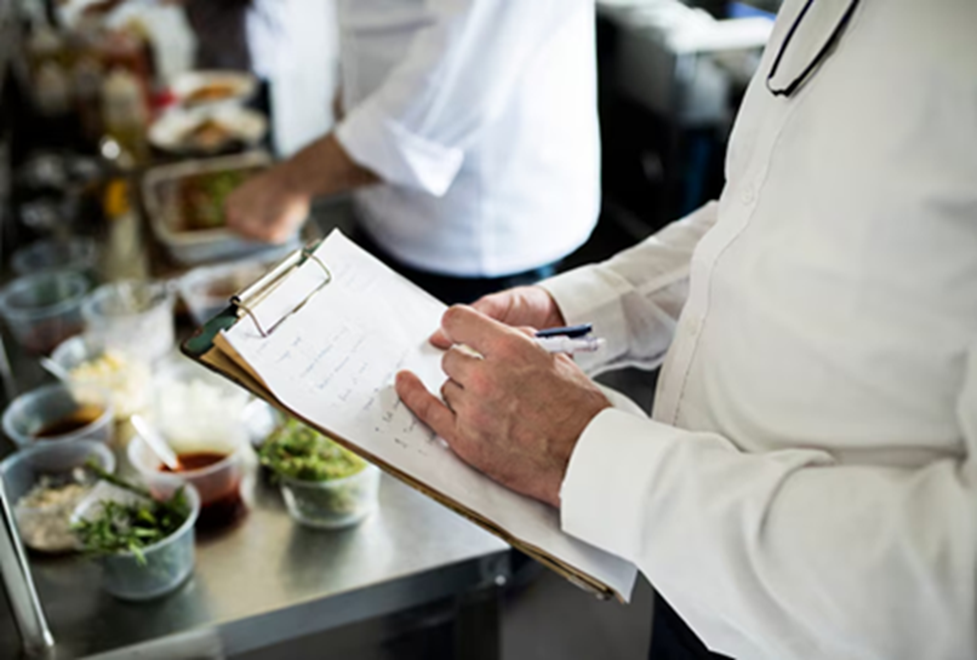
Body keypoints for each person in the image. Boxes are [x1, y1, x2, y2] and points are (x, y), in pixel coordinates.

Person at [393, 0, 977, 658]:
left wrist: (578, 454)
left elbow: (957, 588)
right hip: (686, 582)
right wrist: (585, 307)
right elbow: (768, 209)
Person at [224, 0, 600, 304]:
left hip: (481, 227)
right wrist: (352, 88)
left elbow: (452, 91)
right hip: (383, 197)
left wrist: (290, 182)